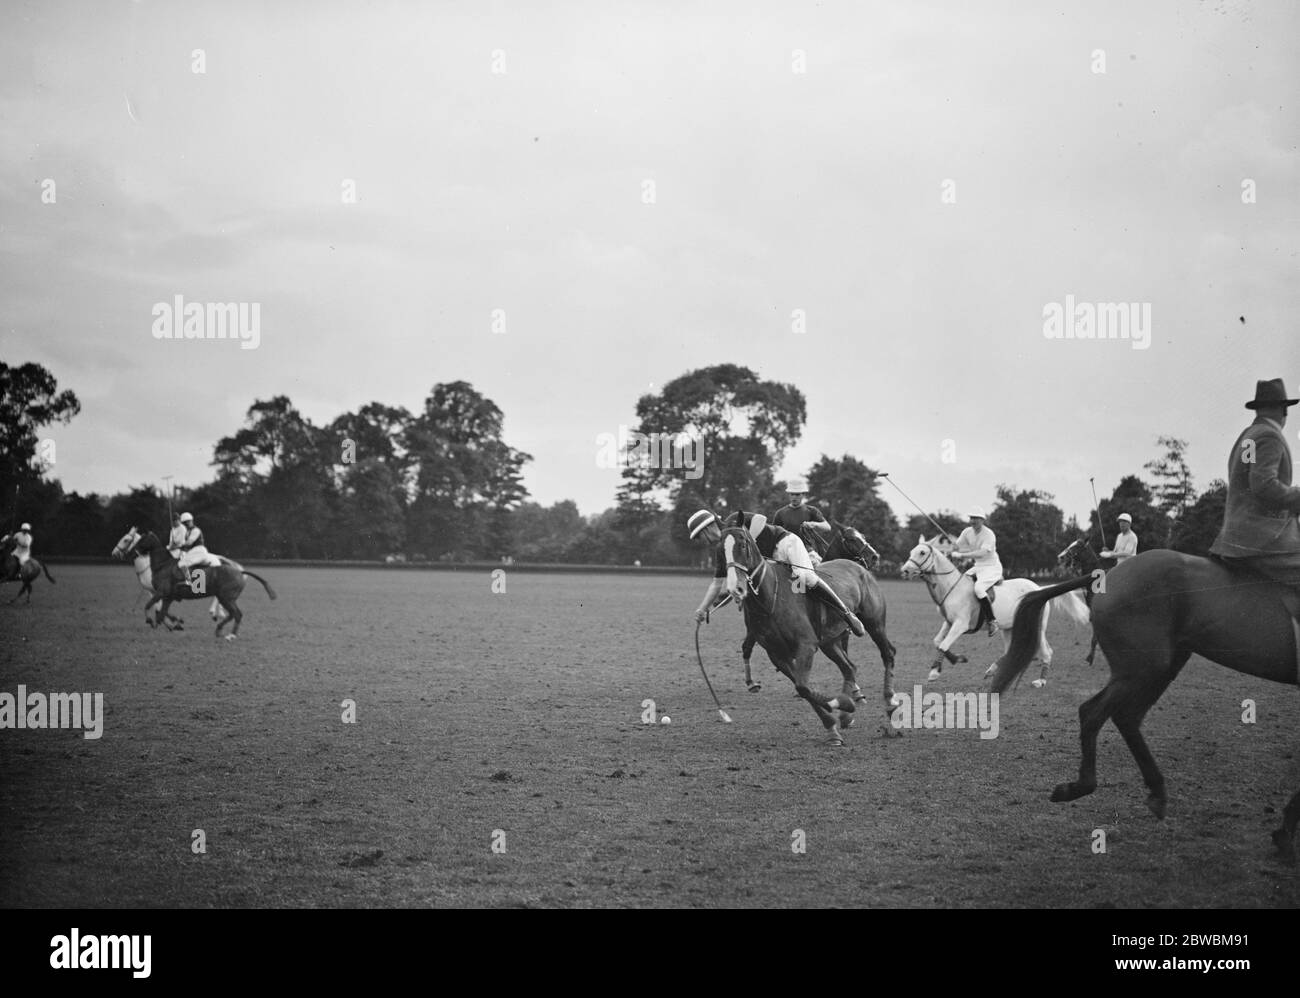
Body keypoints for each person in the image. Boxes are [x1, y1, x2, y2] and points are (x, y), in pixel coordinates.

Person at [1209, 378, 1300, 632]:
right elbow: (1263, 486)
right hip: (1261, 537)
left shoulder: (1249, 435)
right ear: (1284, 410)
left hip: (1237, 533)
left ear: (1258, 409)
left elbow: (1252, 485)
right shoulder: (1270, 436)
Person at [688, 508, 866, 636]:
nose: (701, 542)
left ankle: (846, 614)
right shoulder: (724, 549)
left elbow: (760, 519)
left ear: (707, 528)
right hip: (771, 563)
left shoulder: (734, 519)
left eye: (699, 537)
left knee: (806, 577)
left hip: (784, 543)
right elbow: (717, 582)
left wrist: (750, 542)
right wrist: (702, 609)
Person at [949, 507, 1003, 636]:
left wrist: (961, 556)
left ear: (982, 520)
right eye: (971, 518)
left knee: (979, 589)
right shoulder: (967, 532)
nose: (973, 521)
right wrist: (955, 547)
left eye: (976, 518)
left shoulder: (989, 534)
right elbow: (958, 545)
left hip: (991, 567)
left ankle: (992, 621)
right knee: (961, 583)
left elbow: (982, 553)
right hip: (978, 567)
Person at [772, 477, 830, 564]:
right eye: (792, 494)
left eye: (797, 494)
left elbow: (827, 527)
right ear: (789, 495)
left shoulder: (812, 510)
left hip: (807, 550)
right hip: (785, 551)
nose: (794, 497)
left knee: (818, 568)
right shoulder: (780, 513)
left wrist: (814, 524)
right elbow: (773, 534)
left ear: (803, 495)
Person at [174, 512, 210, 585]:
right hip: (193, 551)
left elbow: (189, 543)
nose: (187, 524)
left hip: (199, 550)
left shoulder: (196, 530)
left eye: (188, 521)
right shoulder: (187, 532)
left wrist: (179, 545)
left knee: (181, 564)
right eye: (185, 523)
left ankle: (188, 581)